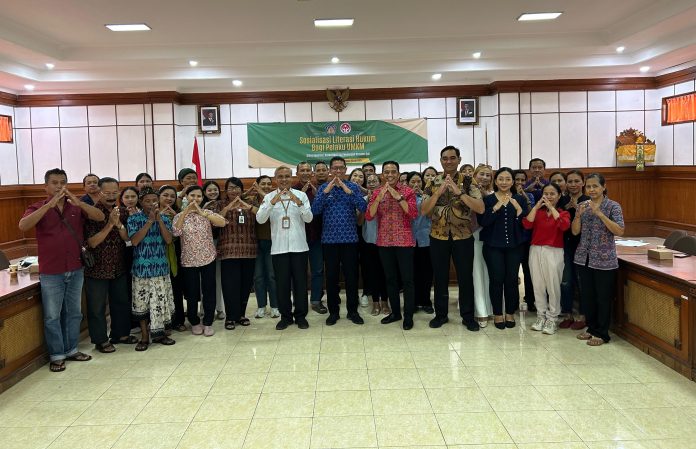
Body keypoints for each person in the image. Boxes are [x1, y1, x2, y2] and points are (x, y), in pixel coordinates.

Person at [19, 168, 105, 372]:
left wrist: (79, 203)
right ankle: (57, 355)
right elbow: (23, 226)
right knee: (52, 316)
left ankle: (72, 349)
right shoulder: (37, 207)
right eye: (55, 183)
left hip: (75, 268)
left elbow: (100, 216)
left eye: (63, 182)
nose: (59, 186)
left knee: (74, 313)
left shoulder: (74, 206)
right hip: (51, 271)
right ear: (46, 187)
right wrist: (48, 205)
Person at [421, 146, 484, 331]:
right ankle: (441, 315)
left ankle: (467, 316)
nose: (448, 161)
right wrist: (438, 193)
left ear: (459, 159)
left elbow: (480, 208)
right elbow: (424, 211)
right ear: (441, 160)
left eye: (452, 158)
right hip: (438, 236)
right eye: (445, 158)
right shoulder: (432, 182)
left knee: (465, 277)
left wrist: (459, 192)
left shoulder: (468, 181)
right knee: (440, 277)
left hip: (463, 236)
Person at [256, 166, 313, 330]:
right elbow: (260, 219)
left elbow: (309, 218)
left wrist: (298, 203)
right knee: (282, 284)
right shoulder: (269, 197)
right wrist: (271, 203)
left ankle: (301, 316)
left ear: (291, 177)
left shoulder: (301, 195)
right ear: (276, 179)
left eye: (287, 176)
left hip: (299, 247)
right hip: (279, 248)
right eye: (280, 176)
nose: (284, 179)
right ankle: (285, 317)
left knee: (300, 284)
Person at [312, 156, 367, 326]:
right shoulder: (323, 188)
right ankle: (333, 312)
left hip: (350, 239)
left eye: (341, 168)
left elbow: (363, 207)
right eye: (334, 168)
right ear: (330, 170)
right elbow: (315, 210)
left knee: (351, 277)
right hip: (329, 240)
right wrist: (326, 191)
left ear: (345, 169)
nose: (338, 171)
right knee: (331, 278)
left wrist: (347, 190)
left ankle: (352, 311)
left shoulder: (353, 186)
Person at [572, 173, 624, 346]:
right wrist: (577, 216)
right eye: (588, 186)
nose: (591, 189)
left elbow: (619, 230)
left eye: (595, 186)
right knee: (587, 297)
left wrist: (600, 214)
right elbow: (575, 231)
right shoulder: (582, 205)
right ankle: (591, 328)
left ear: (603, 187)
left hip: (604, 260)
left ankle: (602, 333)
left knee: (603, 297)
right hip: (583, 258)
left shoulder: (613, 206)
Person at [84, 177, 135, 354]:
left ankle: (120, 334)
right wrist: (110, 224)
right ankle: (100, 340)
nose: (112, 196)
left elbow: (127, 238)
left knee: (121, 302)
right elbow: (92, 242)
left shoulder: (122, 211)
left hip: (118, 265)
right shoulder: (91, 213)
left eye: (115, 192)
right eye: (107, 193)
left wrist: (118, 224)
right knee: (97, 307)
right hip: (96, 267)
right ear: (99, 193)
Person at [365, 161, 418, 329]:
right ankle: (395, 313)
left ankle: (408, 316)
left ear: (398, 173)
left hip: (404, 241)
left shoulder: (408, 191)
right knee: (390, 279)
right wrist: (377, 199)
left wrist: (398, 196)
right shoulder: (377, 192)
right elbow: (369, 216)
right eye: (386, 172)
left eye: (393, 172)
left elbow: (413, 213)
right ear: (382, 174)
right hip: (384, 242)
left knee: (407, 280)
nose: (390, 175)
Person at [172, 185, 227, 336]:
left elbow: (222, 222)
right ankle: (194, 321)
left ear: (202, 198)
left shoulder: (207, 213)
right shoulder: (179, 216)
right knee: (192, 292)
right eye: (192, 196)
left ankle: (208, 322)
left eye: (198, 196)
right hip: (188, 260)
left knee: (209, 291)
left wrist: (203, 213)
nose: (195, 199)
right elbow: (176, 232)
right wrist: (186, 212)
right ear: (186, 197)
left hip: (208, 257)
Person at [479, 167, 528, 330]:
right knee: (496, 279)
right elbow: (483, 222)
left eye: (508, 179)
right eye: (501, 179)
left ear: (513, 182)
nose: (504, 182)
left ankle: (510, 312)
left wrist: (519, 211)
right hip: (493, 246)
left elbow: (525, 223)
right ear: (495, 181)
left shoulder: (520, 199)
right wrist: (496, 207)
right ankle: (498, 313)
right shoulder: (488, 199)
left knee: (512, 280)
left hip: (515, 246)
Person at [127, 187, 176, 350]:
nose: (151, 204)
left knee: (160, 302)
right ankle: (144, 336)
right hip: (141, 269)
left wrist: (159, 220)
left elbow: (168, 240)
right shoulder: (134, 219)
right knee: (142, 304)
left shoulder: (165, 218)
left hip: (160, 267)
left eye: (154, 200)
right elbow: (134, 241)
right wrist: (149, 221)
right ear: (141, 202)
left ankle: (160, 334)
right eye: (147, 201)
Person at [209, 177, 259, 330]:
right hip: (228, 251)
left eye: (237, 188)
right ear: (226, 190)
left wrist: (246, 205)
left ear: (242, 190)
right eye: (231, 188)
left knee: (245, 284)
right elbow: (214, 222)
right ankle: (230, 317)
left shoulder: (250, 203)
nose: (234, 190)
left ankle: (241, 315)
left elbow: (261, 216)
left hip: (249, 250)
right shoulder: (219, 204)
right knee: (230, 285)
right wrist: (229, 206)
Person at [522, 183, 570, 335]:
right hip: (536, 249)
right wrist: (536, 207)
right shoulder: (538, 212)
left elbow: (564, 226)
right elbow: (527, 224)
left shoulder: (563, 213)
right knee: (538, 285)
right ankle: (540, 316)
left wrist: (551, 208)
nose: (548, 197)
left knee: (553, 286)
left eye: (552, 194)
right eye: (546, 194)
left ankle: (552, 318)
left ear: (559, 195)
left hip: (554, 251)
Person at [294, 161, 327, 314]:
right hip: (298, 237)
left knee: (318, 270)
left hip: (316, 236)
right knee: (298, 271)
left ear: (312, 173)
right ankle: (299, 301)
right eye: (302, 170)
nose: (306, 173)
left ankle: (316, 300)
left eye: (308, 170)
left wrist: (318, 196)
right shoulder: (292, 191)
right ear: (297, 173)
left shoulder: (318, 190)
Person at [558, 170, 589, 329]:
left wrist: (577, 209)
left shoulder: (588, 201)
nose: (573, 184)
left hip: (583, 246)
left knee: (581, 282)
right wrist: (565, 208)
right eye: (570, 181)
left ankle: (582, 316)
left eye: (577, 181)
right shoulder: (562, 200)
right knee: (566, 281)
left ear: (583, 182)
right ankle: (567, 314)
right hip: (565, 245)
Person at [157, 185, 186, 331]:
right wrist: (159, 217)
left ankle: (178, 321)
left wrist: (177, 218)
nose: (169, 198)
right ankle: (162, 322)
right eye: (165, 195)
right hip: (157, 255)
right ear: (159, 197)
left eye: (172, 196)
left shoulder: (179, 213)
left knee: (176, 288)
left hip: (176, 254)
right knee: (160, 290)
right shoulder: (151, 213)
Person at [251, 175, 280, 318]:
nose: (267, 186)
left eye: (269, 184)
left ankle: (275, 306)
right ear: (257, 185)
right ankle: (261, 306)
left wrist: (264, 195)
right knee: (258, 276)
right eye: (263, 184)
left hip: (272, 242)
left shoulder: (276, 199)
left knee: (272, 276)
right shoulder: (251, 200)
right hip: (255, 243)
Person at [362, 173, 389, 315]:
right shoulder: (364, 199)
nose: (372, 183)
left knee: (385, 271)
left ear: (380, 183)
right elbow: (360, 221)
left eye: (375, 181)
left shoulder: (386, 197)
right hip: (369, 240)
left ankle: (385, 301)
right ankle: (375, 302)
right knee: (372, 272)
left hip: (386, 240)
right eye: (369, 181)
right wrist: (366, 204)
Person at [408, 171, 434, 314]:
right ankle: (412, 302)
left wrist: (424, 196)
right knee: (411, 273)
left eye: (418, 182)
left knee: (426, 272)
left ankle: (426, 301)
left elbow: (429, 214)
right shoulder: (403, 198)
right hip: (408, 240)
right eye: (413, 182)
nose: (416, 184)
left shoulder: (427, 196)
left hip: (425, 239)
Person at [471, 164, 494, 327]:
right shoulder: (467, 191)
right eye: (481, 174)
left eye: (488, 175)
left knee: (491, 274)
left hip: (492, 238)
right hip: (473, 235)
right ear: (475, 175)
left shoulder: (495, 194)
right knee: (477, 272)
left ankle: (493, 308)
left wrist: (485, 195)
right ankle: (481, 311)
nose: (484, 177)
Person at [514, 169, 537, 312]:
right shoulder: (508, 195)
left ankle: (530, 300)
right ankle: (513, 302)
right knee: (512, 273)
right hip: (513, 239)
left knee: (529, 272)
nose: (520, 183)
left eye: (523, 180)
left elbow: (530, 215)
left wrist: (524, 197)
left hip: (527, 238)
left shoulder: (530, 195)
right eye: (517, 179)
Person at [202, 180, 225, 320]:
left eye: (215, 189)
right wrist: (204, 208)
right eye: (209, 190)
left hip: (220, 243)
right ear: (204, 192)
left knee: (218, 277)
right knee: (204, 279)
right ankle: (204, 309)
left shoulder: (223, 204)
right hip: (203, 246)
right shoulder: (199, 205)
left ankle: (220, 308)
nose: (213, 192)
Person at [350, 168, 370, 307]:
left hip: (363, 232)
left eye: (360, 177)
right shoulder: (344, 191)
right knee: (352, 266)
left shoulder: (367, 194)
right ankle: (353, 294)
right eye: (355, 176)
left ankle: (366, 293)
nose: (357, 178)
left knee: (366, 264)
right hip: (348, 233)